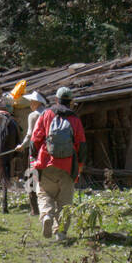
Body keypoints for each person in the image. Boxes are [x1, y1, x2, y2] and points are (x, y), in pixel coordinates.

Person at [30, 86, 85, 239]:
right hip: (68, 166)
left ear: (56, 100)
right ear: (71, 102)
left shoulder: (46, 114)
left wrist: (34, 158)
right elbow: (82, 144)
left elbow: (35, 139)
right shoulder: (75, 119)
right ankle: (60, 233)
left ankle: (46, 216)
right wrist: (79, 165)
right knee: (65, 202)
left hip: (46, 162)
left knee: (44, 194)